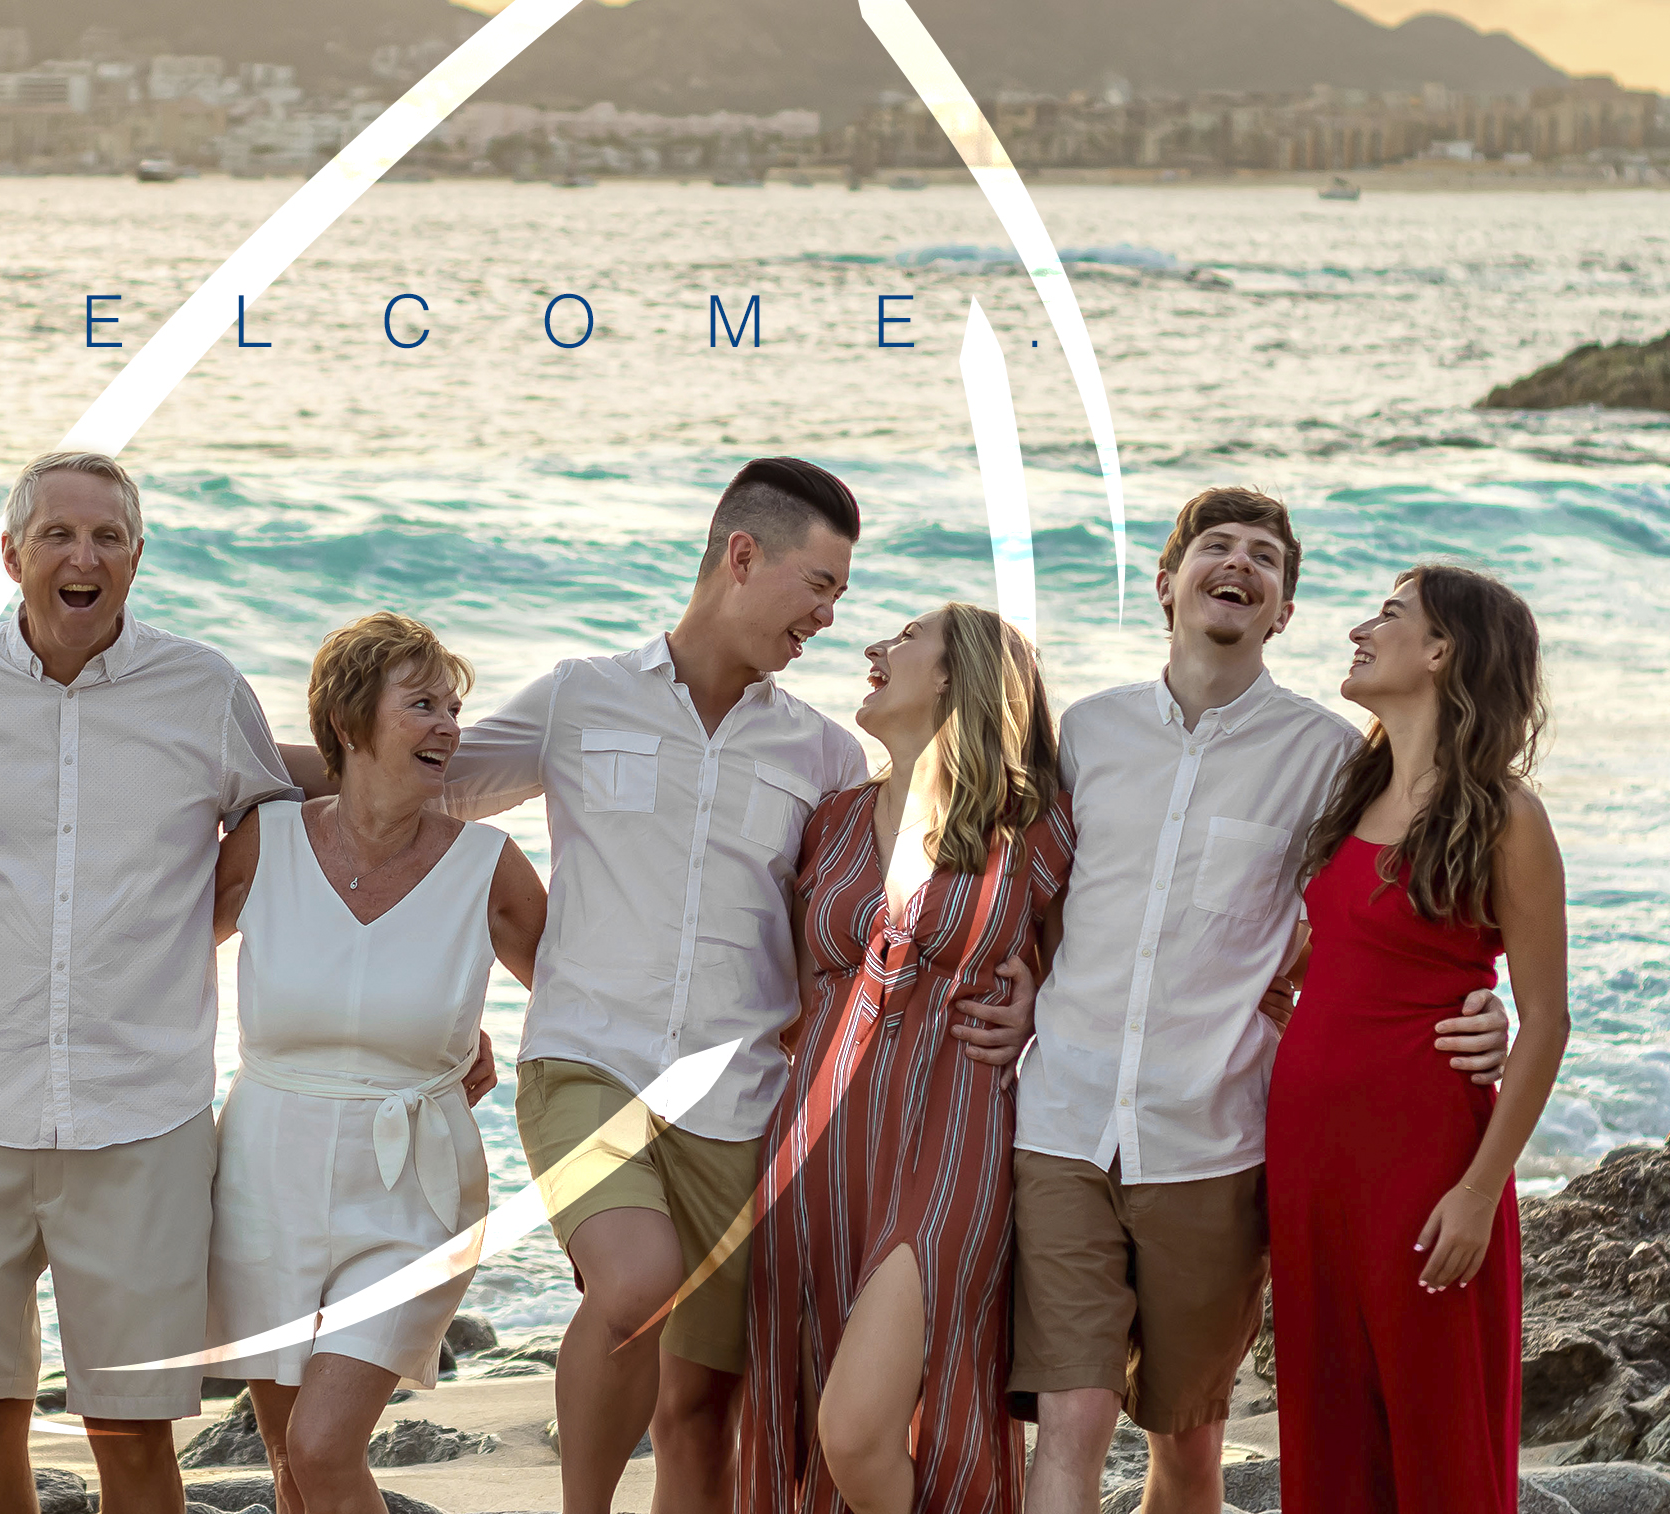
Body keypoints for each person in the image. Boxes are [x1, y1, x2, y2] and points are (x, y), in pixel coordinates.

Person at [429, 457, 1038, 1514]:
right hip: (589, 1066)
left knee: (703, 1409)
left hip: (747, 1104)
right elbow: (427, 789)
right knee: (631, 1284)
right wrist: (232, 770)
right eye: (820, 583)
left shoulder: (826, 756)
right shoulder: (582, 696)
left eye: (843, 594)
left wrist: (1028, 981)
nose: (831, 616)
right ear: (742, 555)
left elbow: (887, 916)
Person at [1011, 490, 1512, 1514]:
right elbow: (1036, 895)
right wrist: (1010, 986)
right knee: (1070, 1418)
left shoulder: (1332, 760)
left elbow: (1390, 909)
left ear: (1283, 609)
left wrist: (1477, 1002)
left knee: (1188, 1445)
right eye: (1216, 547)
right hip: (1061, 1120)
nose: (1238, 564)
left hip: (1215, 1140)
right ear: (1167, 583)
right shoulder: (1089, 734)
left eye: (1265, 559)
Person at [0, 448, 300, 1514]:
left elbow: (266, 826)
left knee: (132, 1427)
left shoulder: (204, 688)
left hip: (144, 1110)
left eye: (108, 536)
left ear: (138, 555)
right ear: (11, 553)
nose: (84, 556)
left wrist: (189, 935)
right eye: (60, 535)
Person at [201, 612, 547, 1514]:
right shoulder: (266, 843)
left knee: (321, 1448)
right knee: (289, 1465)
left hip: (413, 1192)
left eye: (454, 707)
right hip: (260, 1178)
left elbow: (584, 1002)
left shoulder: (488, 866)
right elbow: (155, 973)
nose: (448, 726)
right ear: (352, 723)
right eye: (422, 704)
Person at [740, 603, 1074, 1514]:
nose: (875, 649)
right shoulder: (832, 821)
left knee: (855, 1431)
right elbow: (785, 988)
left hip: (954, 1136)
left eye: (905, 638)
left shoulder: (1033, 827)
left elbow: (1106, 972)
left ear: (957, 677)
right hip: (816, 1146)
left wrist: (1038, 1009)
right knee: (816, 1423)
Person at [1267, 564, 1569, 1511]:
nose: (1362, 628)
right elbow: (1347, 950)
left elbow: (1548, 1020)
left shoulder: (1507, 816)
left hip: (1425, 1153)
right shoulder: (1351, 791)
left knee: (1438, 1428)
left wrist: (1480, 1192)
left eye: (1390, 615)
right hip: (1309, 1157)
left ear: (1442, 652)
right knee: (1329, 1423)